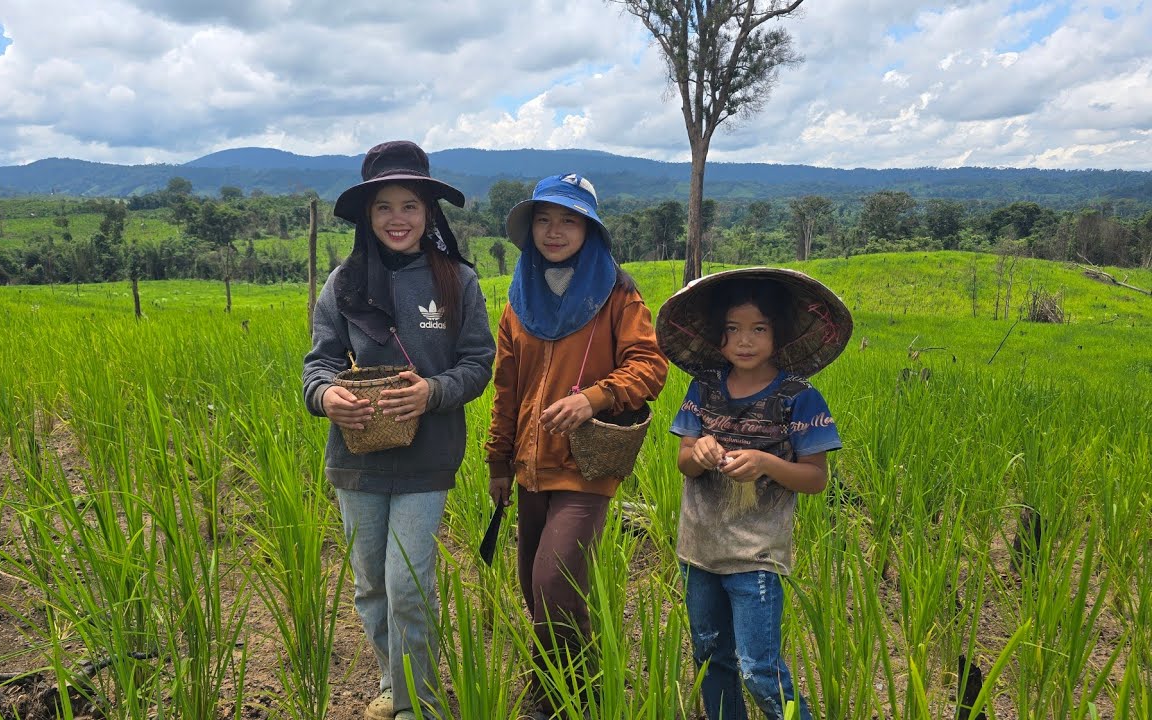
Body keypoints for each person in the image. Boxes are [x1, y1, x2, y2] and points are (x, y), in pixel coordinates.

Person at [302, 140, 496, 720]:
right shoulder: (343, 284)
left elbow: (478, 362)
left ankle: (420, 704)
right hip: (356, 457)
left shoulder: (457, 281)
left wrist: (431, 392)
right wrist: (327, 396)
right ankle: (395, 681)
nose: (397, 218)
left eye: (409, 205)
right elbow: (319, 364)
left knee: (408, 583)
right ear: (368, 215)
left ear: (429, 213)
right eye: (384, 206)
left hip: (427, 457)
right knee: (370, 586)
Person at [485, 173, 668, 718]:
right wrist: (498, 461)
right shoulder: (520, 298)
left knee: (554, 581)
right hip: (529, 466)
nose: (555, 231)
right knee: (532, 586)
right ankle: (558, 684)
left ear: (590, 229)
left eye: (569, 220)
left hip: (586, 466)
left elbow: (650, 365)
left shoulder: (618, 293)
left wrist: (594, 397)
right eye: (544, 219)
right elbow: (506, 387)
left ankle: (571, 697)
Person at [655, 268, 853, 720]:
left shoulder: (797, 398)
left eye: (758, 329)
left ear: (777, 334)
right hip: (699, 550)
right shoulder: (703, 389)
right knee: (710, 658)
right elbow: (684, 460)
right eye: (733, 330)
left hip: (756, 556)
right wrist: (700, 450)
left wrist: (764, 463)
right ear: (719, 337)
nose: (744, 341)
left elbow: (816, 478)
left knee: (758, 669)